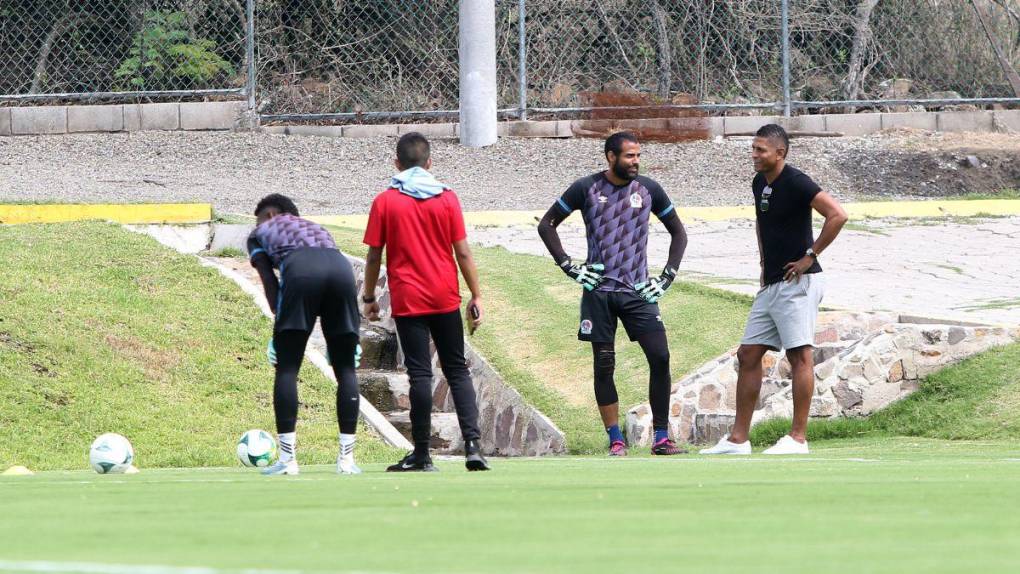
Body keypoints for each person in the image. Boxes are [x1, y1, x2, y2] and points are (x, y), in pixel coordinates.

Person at [537, 131, 689, 456]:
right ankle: (616, 439)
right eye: (629, 156)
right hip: (599, 293)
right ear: (610, 157)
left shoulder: (648, 189)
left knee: (660, 357)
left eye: (638, 156)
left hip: (638, 292)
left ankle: (661, 437)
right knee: (605, 365)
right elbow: (547, 224)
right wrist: (569, 266)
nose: (635, 162)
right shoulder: (586, 188)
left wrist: (666, 277)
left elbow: (679, 232)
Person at [701, 124, 847, 456]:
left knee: (799, 356)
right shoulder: (758, 183)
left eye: (760, 150)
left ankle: (798, 439)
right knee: (748, 354)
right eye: (753, 149)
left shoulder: (796, 181)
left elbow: (838, 215)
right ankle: (739, 441)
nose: (753, 155)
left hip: (799, 282)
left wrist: (809, 257)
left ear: (779, 153)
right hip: (772, 283)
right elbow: (761, 225)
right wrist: (764, 266)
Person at [362, 132, 489, 472]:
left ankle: (422, 454)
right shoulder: (447, 199)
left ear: (397, 164)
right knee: (457, 370)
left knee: (420, 374)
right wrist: (476, 295)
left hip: (409, 299)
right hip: (445, 295)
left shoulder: (385, 202)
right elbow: (462, 251)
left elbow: (375, 255)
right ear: (430, 163)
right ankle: (474, 447)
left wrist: (370, 297)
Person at [247, 193, 363, 475]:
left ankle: (288, 461)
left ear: (272, 215)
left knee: (287, 368)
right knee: (346, 369)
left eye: (261, 217)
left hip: (301, 270)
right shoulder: (317, 229)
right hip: (341, 269)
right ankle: (346, 462)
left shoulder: (259, 233)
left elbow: (269, 279)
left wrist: (282, 326)